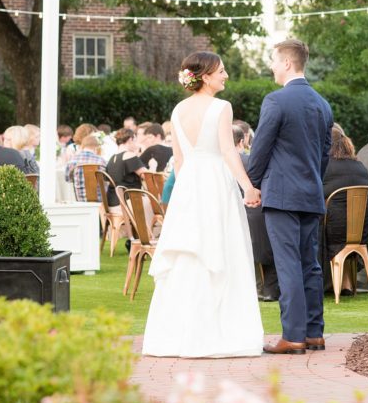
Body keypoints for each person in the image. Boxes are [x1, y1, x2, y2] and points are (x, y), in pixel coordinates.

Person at [142, 52, 263, 358]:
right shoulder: (222, 107)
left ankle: (177, 335)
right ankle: (218, 333)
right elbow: (227, 150)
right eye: (221, 71)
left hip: (189, 186)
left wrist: (183, 195)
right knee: (221, 248)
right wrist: (247, 186)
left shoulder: (178, 110)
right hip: (215, 183)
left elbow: (180, 160)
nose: (225, 76)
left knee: (190, 253)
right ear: (206, 76)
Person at [247, 38, 333, 356]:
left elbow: (261, 148)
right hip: (311, 194)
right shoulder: (322, 104)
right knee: (310, 265)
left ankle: (293, 336)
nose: (271, 66)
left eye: (273, 60)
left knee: (288, 265)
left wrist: (252, 185)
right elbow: (325, 154)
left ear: (286, 63)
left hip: (282, 195)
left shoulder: (276, 101)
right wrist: (312, 181)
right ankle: (314, 334)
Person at [322, 124, 368, 296]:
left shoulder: (324, 167)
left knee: (315, 222)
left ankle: (324, 283)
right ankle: (346, 283)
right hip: (363, 231)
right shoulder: (360, 166)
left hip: (334, 232)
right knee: (339, 214)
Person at [237, 124, 279, 302]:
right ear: (242, 142)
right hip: (256, 220)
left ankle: (257, 286)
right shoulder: (250, 162)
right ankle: (269, 289)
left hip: (233, 225)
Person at [64, 133, 106, 202]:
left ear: (82, 146)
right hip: (100, 201)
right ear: (96, 147)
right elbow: (106, 179)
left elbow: (68, 179)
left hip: (80, 200)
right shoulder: (101, 160)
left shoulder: (72, 160)